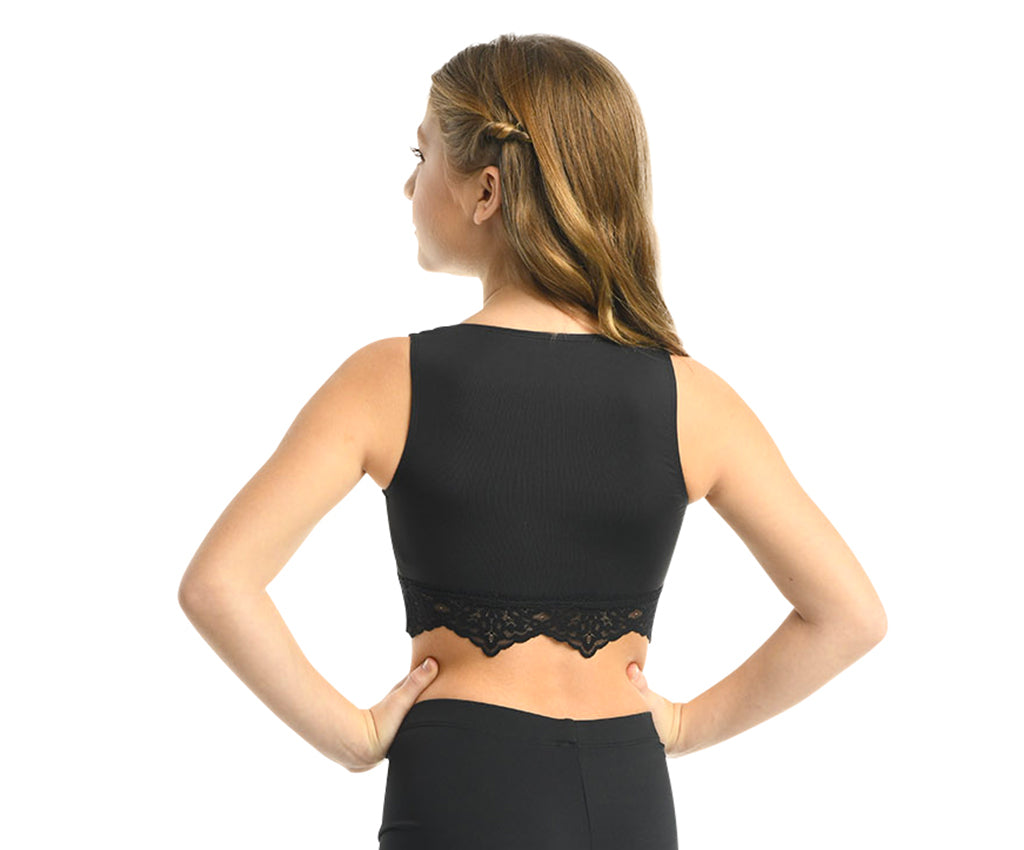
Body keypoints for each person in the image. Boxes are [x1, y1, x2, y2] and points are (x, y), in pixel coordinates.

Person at [178, 33, 887, 850]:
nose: (408, 183)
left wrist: (354, 736)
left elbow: (218, 584)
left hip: (459, 785)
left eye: (421, 155)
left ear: (486, 190)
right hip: (625, 790)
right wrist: (686, 724)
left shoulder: (389, 379)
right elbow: (849, 615)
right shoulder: (693, 398)